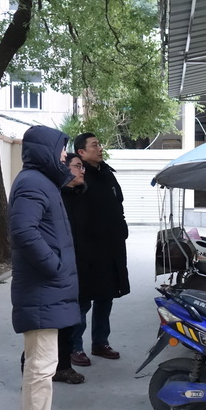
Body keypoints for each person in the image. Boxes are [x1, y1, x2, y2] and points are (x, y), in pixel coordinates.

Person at [10, 126, 80, 410]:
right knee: (41, 364)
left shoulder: (41, 181)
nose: (64, 155)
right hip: (41, 288)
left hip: (45, 287)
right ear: (45, 151)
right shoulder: (32, 183)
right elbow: (24, 231)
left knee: (40, 364)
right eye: (61, 149)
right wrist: (53, 265)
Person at [69, 133, 130, 366]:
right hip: (87, 250)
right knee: (83, 300)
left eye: (99, 144)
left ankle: (100, 342)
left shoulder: (107, 174)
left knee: (106, 296)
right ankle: (75, 347)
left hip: (111, 248)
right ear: (82, 152)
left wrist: (122, 230)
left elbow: (118, 204)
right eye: (94, 145)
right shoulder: (79, 178)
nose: (100, 148)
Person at [51, 153, 89, 385]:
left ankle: (63, 365)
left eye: (82, 167)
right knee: (53, 323)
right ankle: (45, 368)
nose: (82, 170)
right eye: (77, 166)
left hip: (78, 268)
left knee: (70, 318)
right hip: (60, 270)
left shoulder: (79, 196)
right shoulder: (55, 197)